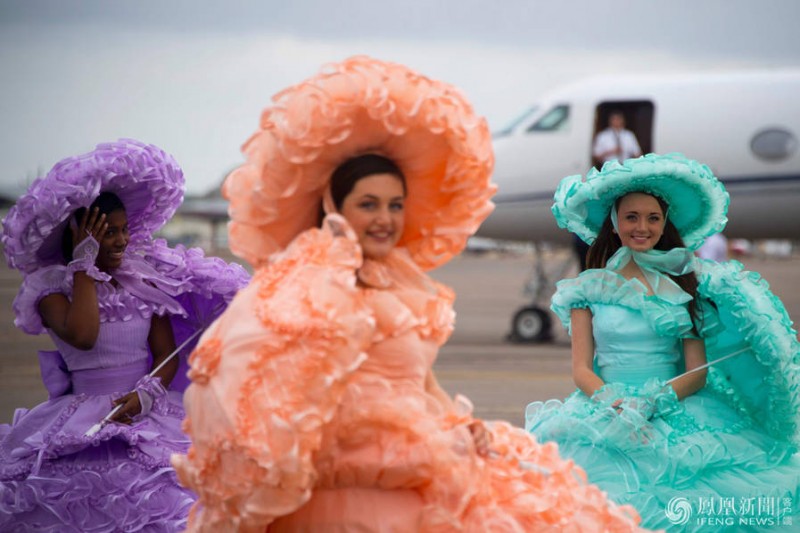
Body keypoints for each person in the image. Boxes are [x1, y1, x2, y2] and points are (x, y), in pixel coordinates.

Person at [172, 56, 645, 532]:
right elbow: (264, 390)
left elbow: (418, 379)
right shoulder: (307, 288)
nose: (385, 219)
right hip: (340, 499)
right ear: (334, 206)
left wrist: (458, 423)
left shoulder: (400, 284)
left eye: (396, 205)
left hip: (420, 483)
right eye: (368, 204)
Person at [525, 153, 800, 531]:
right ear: (614, 223)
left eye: (653, 218)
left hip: (676, 412)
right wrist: (616, 404)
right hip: (602, 414)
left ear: (664, 223)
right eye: (632, 217)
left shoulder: (688, 287)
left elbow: (696, 373)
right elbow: (581, 370)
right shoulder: (587, 289)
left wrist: (653, 401)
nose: (643, 227)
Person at [0, 139, 249, 532]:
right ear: (78, 236)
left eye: (123, 230)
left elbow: (166, 355)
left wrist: (146, 394)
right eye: (107, 232)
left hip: (149, 415)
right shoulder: (51, 293)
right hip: (81, 419)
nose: (120, 240)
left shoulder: (143, 285)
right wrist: (82, 265)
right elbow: (83, 335)